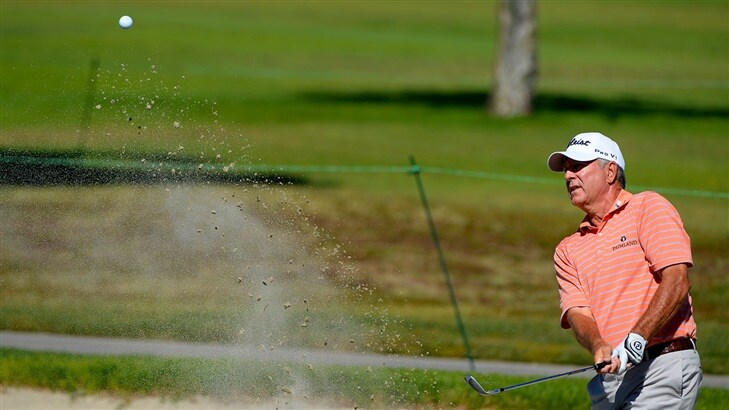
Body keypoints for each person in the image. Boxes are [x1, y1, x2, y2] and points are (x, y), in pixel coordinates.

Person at [546, 132, 702, 409]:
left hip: (661, 366)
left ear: (610, 172)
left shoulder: (647, 207)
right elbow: (578, 312)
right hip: (610, 379)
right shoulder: (567, 249)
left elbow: (677, 279)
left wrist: (638, 338)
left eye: (578, 166)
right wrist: (598, 344)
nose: (568, 175)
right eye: (566, 168)